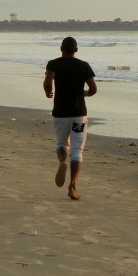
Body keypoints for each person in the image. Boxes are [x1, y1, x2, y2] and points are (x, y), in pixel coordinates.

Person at [43, 37, 97, 200]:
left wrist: (48, 91)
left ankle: (62, 161)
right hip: (78, 114)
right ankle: (72, 186)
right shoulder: (84, 65)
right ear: (76, 50)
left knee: (61, 144)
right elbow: (93, 88)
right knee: (77, 151)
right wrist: (85, 94)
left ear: (61, 48)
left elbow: (48, 81)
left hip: (60, 112)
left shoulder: (53, 63)